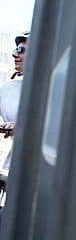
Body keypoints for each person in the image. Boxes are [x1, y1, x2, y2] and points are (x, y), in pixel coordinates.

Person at [0, 31, 29, 174]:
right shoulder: (7, 88)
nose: (15, 54)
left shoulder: (57, 85)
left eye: (21, 50)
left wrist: (22, 126)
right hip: (18, 166)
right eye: (16, 50)